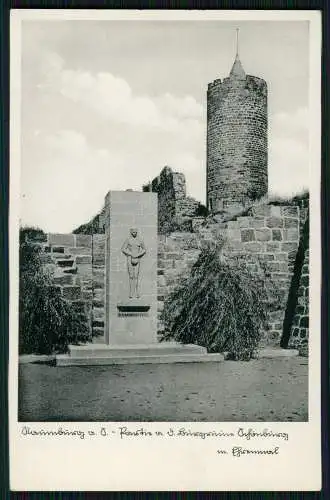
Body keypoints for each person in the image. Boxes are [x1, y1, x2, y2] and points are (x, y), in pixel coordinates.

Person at [121, 228, 146, 298]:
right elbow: (123, 249)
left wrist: (138, 254)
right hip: (130, 258)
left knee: (136, 276)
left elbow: (144, 249)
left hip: (137, 258)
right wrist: (131, 253)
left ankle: (137, 292)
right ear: (131, 232)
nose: (134, 233)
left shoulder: (140, 240)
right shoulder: (128, 240)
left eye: (135, 232)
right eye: (133, 232)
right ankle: (131, 292)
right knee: (131, 276)